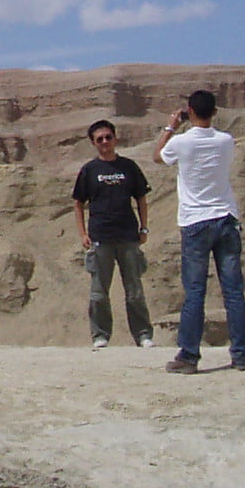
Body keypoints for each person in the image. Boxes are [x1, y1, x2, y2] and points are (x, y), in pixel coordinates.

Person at [156, 89, 245, 372]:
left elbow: (157, 156)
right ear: (215, 112)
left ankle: (188, 356)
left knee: (195, 291)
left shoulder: (182, 142)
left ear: (190, 111)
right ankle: (241, 355)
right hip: (225, 218)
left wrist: (172, 126)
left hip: (195, 222)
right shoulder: (226, 141)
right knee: (233, 292)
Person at [72, 119, 153, 350]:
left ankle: (143, 335)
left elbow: (141, 199)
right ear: (93, 143)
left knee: (134, 291)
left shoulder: (129, 167)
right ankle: (100, 335)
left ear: (115, 138)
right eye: (100, 139)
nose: (105, 142)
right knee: (98, 293)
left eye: (108, 137)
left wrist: (144, 228)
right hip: (100, 238)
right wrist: (82, 234)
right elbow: (78, 203)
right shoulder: (89, 170)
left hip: (128, 236)